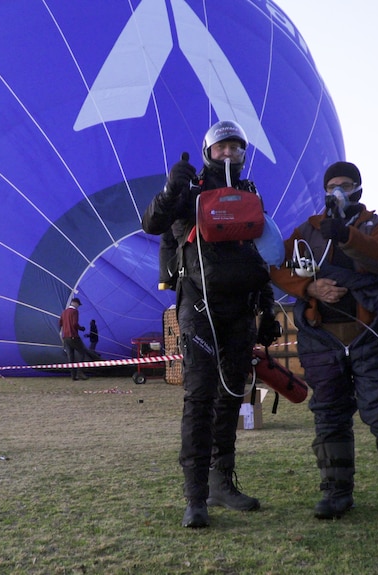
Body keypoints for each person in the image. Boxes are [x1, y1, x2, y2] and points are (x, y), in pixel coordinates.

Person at [141, 120, 280, 528]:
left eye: (235, 148)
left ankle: (222, 483)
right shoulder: (188, 195)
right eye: (221, 148)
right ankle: (195, 497)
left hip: (241, 311)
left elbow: (262, 257)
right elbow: (151, 224)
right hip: (199, 313)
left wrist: (268, 309)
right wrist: (170, 191)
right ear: (208, 152)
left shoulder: (250, 195)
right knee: (199, 400)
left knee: (230, 398)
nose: (229, 154)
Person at [269, 161, 378, 526]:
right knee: (329, 416)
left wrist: (346, 236)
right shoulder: (307, 231)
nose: (338, 190)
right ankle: (336, 493)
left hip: (370, 336)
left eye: (346, 184)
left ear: (358, 188)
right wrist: (308, 287)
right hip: (323, 338)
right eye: (332, 185)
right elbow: (276, 266)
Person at [58, 297, 89, 381]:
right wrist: (81, 328)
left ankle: (73, 376)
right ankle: (80, 372)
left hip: (66, 338)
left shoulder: (64, 312)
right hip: (73, 336)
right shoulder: (74, 311)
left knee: (70, 356)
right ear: (75, 303)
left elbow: (60, 323)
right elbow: (75, 323)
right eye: (78, 305)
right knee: (82, 352)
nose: (78, 306)